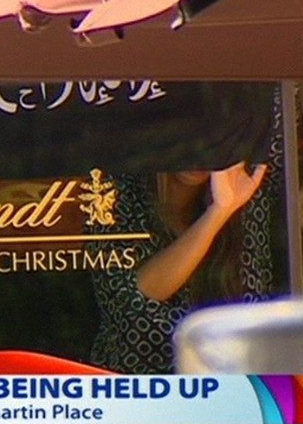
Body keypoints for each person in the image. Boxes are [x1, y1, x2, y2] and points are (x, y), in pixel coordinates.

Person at [87, 128, 283, 374]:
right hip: (136, 394)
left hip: (235, 394)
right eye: (188, 134)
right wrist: (217, 213)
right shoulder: (117, 194)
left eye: (213, 139)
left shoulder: (248, 194)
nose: (200, 153)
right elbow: (134, 304)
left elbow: (276, 114)